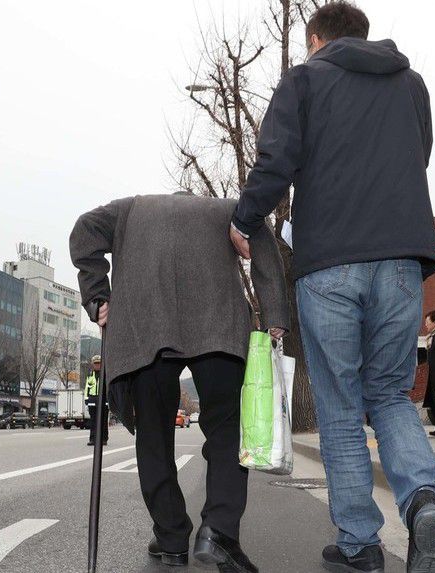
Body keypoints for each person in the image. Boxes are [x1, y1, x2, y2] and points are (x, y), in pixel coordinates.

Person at [228, 3, 435, 572]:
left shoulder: (304, 79)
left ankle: (359, 543)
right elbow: (418, 158)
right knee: (389, 395)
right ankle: (425, 500)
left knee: (340, 408)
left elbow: (276, 160)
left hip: (329, 261)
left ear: (315, 38)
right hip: (401, 260)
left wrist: (245, 219)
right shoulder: (411, 83)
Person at [70, 192, 289, 573]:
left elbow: (83, 230)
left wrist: (97, 294)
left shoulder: (130, 209)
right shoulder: (225, 209)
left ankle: (171, 539)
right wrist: (273, 313)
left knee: (153, 433)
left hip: (144, 327)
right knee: (225, 430)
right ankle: (218, 531)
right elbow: (263, 242)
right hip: (217, 323)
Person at [84, 354, 109, 446]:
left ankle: (104, 439)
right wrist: (86, 400)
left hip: (104, 399)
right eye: (96, 363)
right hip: (92, 401)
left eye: (99, 363)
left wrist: (109, 400)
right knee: (93, 421)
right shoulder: (90, 375)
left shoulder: (106, 374)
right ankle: (93, 439)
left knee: (103, 421)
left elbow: (109, 388)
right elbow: (87, 387)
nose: (97, 365)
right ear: (92, 364)